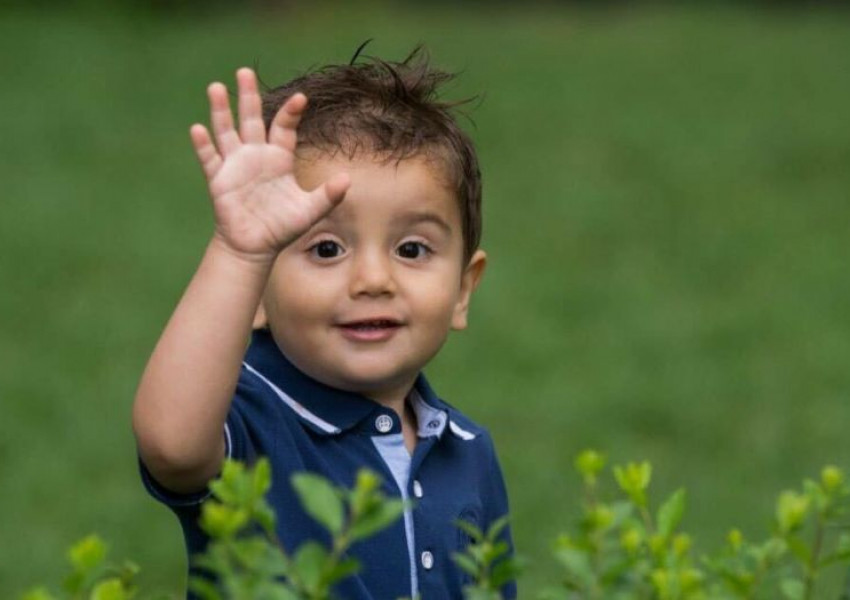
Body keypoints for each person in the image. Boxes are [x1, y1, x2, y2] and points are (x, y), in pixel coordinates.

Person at [133, 47, 515, 599]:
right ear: (256, 296)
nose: (373, 278)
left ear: (462, 290)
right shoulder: (251, 423)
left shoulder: (467, 450)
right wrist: (240, 254)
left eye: (411, 248)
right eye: (328, 247)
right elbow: (171, 444)